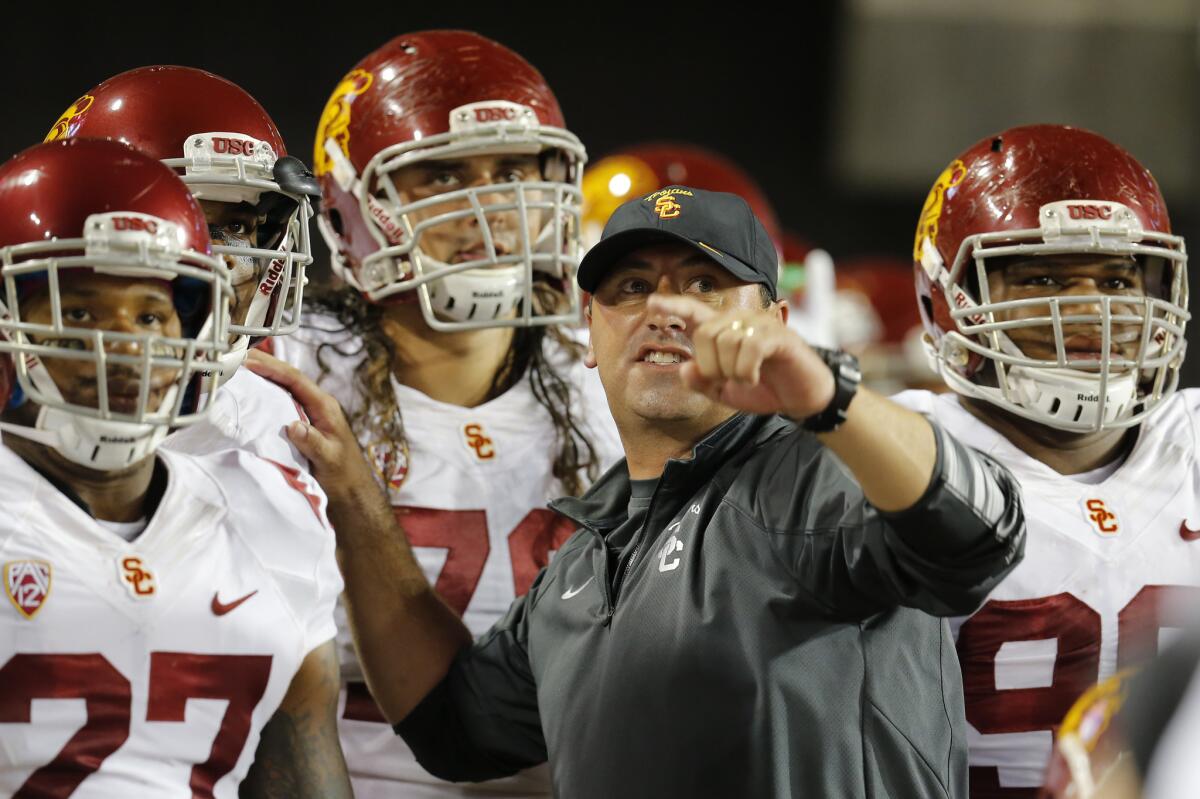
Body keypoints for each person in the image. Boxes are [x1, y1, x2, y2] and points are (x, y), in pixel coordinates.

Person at [251, 183, 1027, 798]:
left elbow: (981, 533)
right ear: (590, 332)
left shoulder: (809, 472)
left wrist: (828, 396)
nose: (664, 305)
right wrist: (352, 499)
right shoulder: (584, 564)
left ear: (774, 320)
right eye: (631, 286)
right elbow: (453, 724)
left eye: (705, 282)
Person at [272, 30, 622, 798]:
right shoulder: (285, 372)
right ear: (347, 205)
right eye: (440, 174)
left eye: (510, 169)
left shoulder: (608, 373)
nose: (485, 203)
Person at [0, 139, 349, 797]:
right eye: (78, 311)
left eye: (152, 314)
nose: (127, 346)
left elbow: (305, 778)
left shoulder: (274, 505)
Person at [894, 123, 1200, 798]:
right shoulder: (908, 452)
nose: (1093, 307)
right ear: (949, 298)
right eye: (1040, 276)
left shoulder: (1194, 443)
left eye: (1119, 277)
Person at [45, 65, 323, 467]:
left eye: (235, 226)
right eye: (184, 222)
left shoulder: (275, 422)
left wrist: (351, 498)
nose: (226, 258)